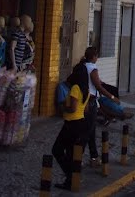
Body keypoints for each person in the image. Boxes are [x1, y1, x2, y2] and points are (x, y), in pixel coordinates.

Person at [52, 61, 90, 190]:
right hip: (80, 123)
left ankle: (70, 176)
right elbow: (86, 110)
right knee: (71, 153)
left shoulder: (75, 88)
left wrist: (63, 107)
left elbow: (72, 108)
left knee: (57, 150)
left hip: (71, 124)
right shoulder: (86, 90)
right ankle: (71, 180)